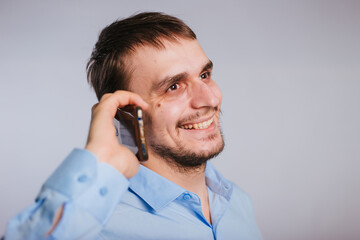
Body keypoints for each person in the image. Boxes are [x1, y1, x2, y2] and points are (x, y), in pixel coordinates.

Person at [5, 12, 263, 239]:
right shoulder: (95, 224)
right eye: (173, 86)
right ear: (125, 114)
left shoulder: (237, 201)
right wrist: (100, 161)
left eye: (204, 75)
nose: (210, 98)